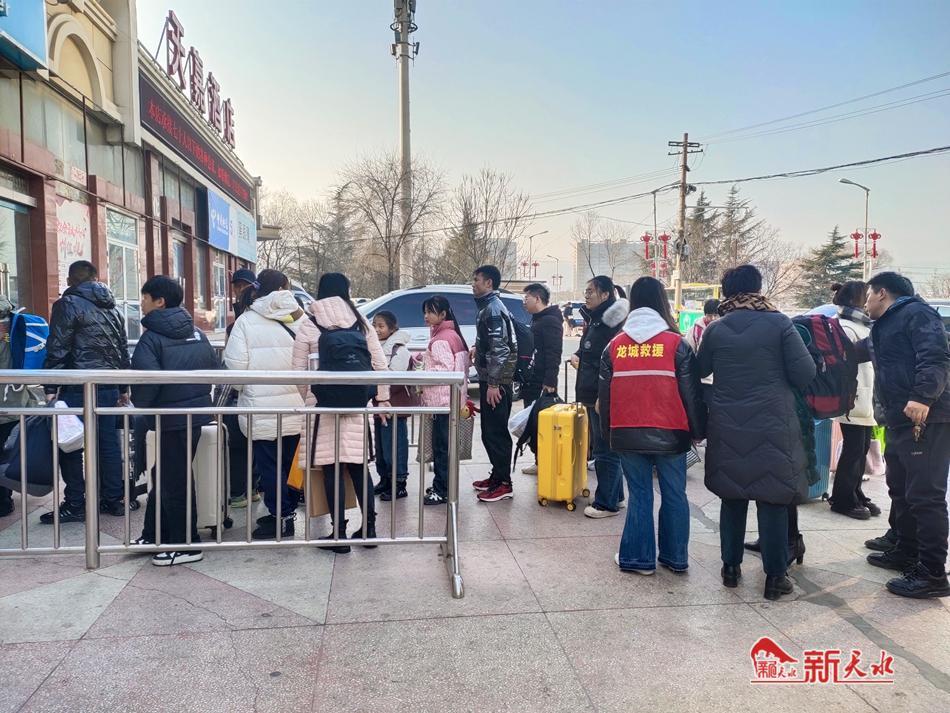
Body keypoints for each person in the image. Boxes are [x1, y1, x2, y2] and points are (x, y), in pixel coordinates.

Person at [698, 265, 816, 601]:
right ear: (758, 288)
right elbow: (805, 373)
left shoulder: (716, 329)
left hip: (727, 424)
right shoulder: (780, 324)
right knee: (773, 498)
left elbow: (701, 368)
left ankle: (730, 569)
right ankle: (775, 578)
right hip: (773, 425)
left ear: (726, 292)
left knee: (732, 496)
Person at [600, 277, 706, 575]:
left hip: (626, 433)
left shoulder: (614, 347)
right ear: (663, 302)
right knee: (675, 494)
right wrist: (698, 431)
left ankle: (639, 559)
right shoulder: (677, 344)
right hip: (672, 433)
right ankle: (675, 558)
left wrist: (608, 435)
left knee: (640, 495)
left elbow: (605, 398)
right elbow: (692, 395)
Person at [858, 272, 950, 599]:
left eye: (868, 295)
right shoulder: (884, 325)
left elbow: (935, 356)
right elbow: (856, 351)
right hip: (899, 419)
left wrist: (923, 396)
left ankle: (932, 574)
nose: (865, 303)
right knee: (900, 487)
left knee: (925, 495)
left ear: (882, 293)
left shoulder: (917, 314)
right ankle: (906, 550)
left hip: (925, 417)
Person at [292, 272, 389, 553]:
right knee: (359, 466)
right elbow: (379, 364)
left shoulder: (310, 323)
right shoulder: (361, 322)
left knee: (331, 468)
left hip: (323, 407)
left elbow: (297, 371)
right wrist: (381, 398)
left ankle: (339, 535)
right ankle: (369, 529)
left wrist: (311, 396)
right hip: (358, 404)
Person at [130, 276, 219, 566]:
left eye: (145, 298)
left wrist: (143, 406)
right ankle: (154, 534)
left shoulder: (152, 337)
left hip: (169, 416)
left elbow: (145, 385)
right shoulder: (196, 332)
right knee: (165, 474)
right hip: (194, 414)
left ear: (159, 302)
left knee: (174, 480)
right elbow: (212, 367)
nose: (141, 303)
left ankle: (186, 544)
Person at [40, 260, 130, 525]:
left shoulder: (67, 304)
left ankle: (76, 504)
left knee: (70, 443)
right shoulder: (113, 307)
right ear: (95, 278)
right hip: (108, 385)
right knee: (107, 444)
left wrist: (50, 387)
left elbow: (57, 347)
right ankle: (113, 499)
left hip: (76, 386)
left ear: (70, 281)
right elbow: (122, 349)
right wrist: (123, 387)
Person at [223, 269, 305, 540]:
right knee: (291, 465)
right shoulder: (301, 318)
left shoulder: (246, 321)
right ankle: (288, 513)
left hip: (261, 410)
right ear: (284, 288)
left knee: (269, 467)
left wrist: (247, 390)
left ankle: (280, 517)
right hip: (297, 407)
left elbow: (235, 371)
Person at [571, 275, 629, 519]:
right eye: (586, 291)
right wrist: (578, 354)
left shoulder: (611, 323)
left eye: (590, 291)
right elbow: (591, 351)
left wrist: (603, 396)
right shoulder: (597, 319)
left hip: (600, 394)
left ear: (605, 294)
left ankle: (606, 504)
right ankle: (616, 496)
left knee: (605, 450)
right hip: (591, 390)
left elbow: (612, 363)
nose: (586, 296)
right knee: (605, 447)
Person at [828, 281, 880, 521]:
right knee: (853, 449)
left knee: (861, 447)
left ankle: (855, 493)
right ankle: (843, 499)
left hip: (865, 396)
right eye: (866, 295)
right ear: (856, 300)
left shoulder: (860, 324)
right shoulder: (845, 326)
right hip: (854, 396)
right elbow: (844, 362)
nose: (869, 300)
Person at [470, 265, 519, 503]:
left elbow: (500, 349)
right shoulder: (487, 307)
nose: (473, 284)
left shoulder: (493, 309)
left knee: (496, 433)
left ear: (489, 283)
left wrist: (493, 383)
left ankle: (504, 484)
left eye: (476, 280)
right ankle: (497, 476)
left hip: (497, 382)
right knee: (489, 432)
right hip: (490, 378)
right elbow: (490, 343)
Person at [415, 296, 470, 505]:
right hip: (452, 400)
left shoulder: (440, 339)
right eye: (425, 311)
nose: (426, 316)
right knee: (445, 447)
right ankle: (444, 485)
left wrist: (422, 372)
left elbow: (444, 370)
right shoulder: (452, 335)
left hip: (441, 402)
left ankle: (441, 489)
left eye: (430, 312)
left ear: (443, 314)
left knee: (441, 448)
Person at [520, 283, 564, 475]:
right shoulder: (538, 319)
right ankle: (540, 460)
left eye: (527, 298)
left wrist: (550, 381)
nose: (524, 302)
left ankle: (544, 462)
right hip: (532, 379)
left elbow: (554, 353)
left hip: (543, 382)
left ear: (537, 298)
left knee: (541, 423)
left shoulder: (550, 321)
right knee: (533, 422)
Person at [371, 310, 411, 501]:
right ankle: (385, 479)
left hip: (394, 406)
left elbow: (394, 379)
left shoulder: (399, 350)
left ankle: (399, 482)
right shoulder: (374, 347)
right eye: (374, 325)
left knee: (395, 446)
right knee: (381, 447)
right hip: (378, 405)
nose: (377, 329)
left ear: (392, 328)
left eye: (381, 326)